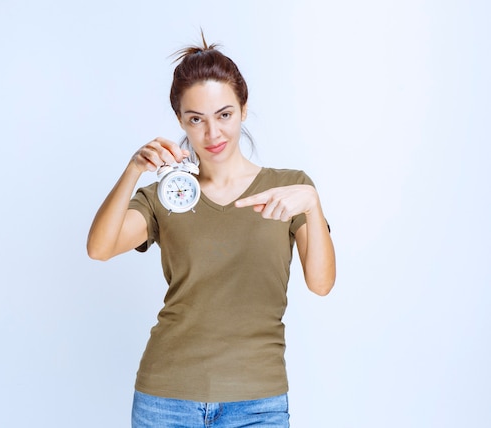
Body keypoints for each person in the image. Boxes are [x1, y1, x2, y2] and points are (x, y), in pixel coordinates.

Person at [87, 33, 336, 428]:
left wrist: (313, 202)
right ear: (180, 121)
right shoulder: (166, 195)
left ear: (243, 110)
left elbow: (321, 284)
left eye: (224, 115)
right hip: (166, 398)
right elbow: (99, 249)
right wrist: (134, 168)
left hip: (257, 401)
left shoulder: (290, 188)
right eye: (196, 120)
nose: (212, 134)